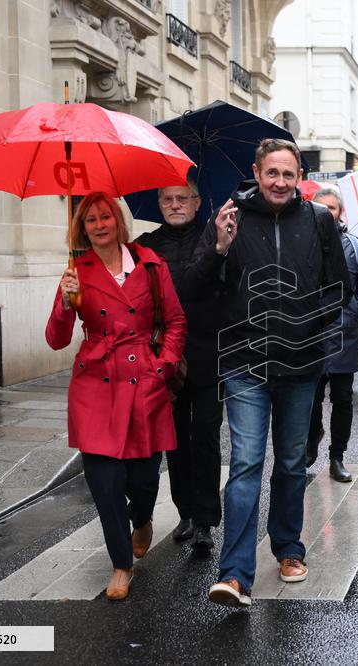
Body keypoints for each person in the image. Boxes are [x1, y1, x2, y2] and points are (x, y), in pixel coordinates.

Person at [184, 139, 351, 608]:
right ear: (257, 173)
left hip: (301, 363)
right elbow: (194, 287)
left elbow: (340, 287)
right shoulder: (229, 218)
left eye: (288, 174)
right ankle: (235, 575)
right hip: (245, 364)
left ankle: (288, 547)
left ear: (299, 177)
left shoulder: (318, 221)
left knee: (292, 463)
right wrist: (219, 249)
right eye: (272, 173)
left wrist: (307, 324)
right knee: (245, 464)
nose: (280, 182)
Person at [45, 192, 186, 600]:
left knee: (143, 479)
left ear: (118, 222)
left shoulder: (150, 265)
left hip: (144, 380)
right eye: (90, 220)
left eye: (105, 216)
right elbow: (56, 339)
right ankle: (121, 565)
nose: (99, 225)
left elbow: (175, 322)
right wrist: (65, 302)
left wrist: (163, 366)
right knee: (104, 482)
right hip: (96, 384)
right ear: (82, 229)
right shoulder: (76, 273)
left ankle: (141, 518)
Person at [134, 176, 225, 551]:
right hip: (164, 359)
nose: (174, 205)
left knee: (206, 437)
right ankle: (185, 512)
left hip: (208, 354)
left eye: (182, 198)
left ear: (197, 201)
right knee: (174, 441)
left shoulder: (216, 237)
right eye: (167, 199)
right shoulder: (145, 246)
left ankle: (205, 520)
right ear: (159, 203)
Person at [306, 188, 358, 482]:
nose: (326, 212)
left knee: (342, 400)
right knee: (309, 400)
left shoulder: (356, 247)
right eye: (321, 207)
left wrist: (349, 318)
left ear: (340, 212)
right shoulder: (302, 243)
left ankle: (337, 456)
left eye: (332, 208)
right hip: (309, 338)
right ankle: (312, 436)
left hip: (344, 338)